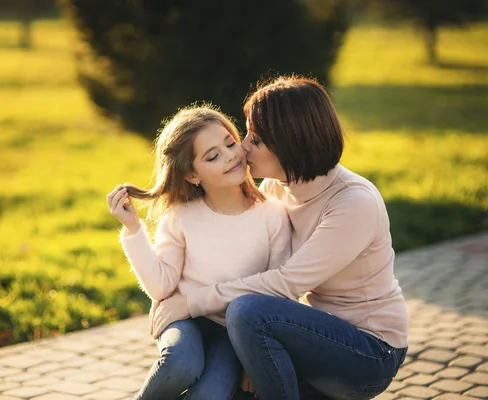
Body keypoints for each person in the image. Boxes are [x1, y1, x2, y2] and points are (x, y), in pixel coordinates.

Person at [150, 76, 409, 400]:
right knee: (226, 388)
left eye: (255, 139)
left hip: (368, 353)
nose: (243, 147)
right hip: (307, 333)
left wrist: (190, 303)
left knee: (246, 311)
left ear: (289, 144)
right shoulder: (276, 186)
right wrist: (248, 353)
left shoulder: (353, 204)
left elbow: (285, 284)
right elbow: (257, 272)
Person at [106, 105, 291, 400]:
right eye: (212, 156)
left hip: (233, 333)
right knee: (180, 365)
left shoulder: (274, 215)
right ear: (192, 174)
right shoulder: (180, 216)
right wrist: (133, 230)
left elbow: (279, 293)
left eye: (230, 143)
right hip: (185, 320)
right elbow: (162, 286)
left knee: (209, 395)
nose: (230, 155)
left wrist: (256, 359)